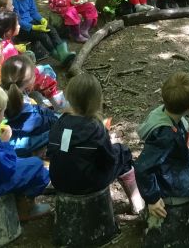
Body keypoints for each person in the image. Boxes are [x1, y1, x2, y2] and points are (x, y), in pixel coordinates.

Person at [47, 73, 144, 214]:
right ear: (96, 100)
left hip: (59, 181)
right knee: (123, 153)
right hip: (89, 184)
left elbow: (53, 152)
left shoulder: (59, 123)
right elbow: (109, 159)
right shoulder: (96, 128)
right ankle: (137, 203)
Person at [135, 72, 189, 224]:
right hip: (171, 185)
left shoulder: (161, 113)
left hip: (170, 173)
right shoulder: (166, 135)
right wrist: (153, 199)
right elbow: (142, 167)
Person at [0, 84, 50, 220]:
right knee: (36, 166)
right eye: (3, 112)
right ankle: (24, 208)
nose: (3, 116)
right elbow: (7, 169)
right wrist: (5, 143)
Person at [0, 10, 68, 110]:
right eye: (17, 24)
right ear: (9, 31)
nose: (19, 25)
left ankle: (46, 99)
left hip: (11, 75)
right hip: (19, 78)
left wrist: (17, 48)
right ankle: (61, 106)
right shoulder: (8, 49)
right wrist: (34, 70)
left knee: (45, 68)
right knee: (48, 78)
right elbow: (19, 70)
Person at [11, 0, 75, 64]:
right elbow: (17, 21)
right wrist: (33, 27)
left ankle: (63, 53)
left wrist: (41, 19)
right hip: (21, 29)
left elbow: (33, 12)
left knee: (51, 29)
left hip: (31, 22)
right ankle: (57, 56)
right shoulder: (14, 0)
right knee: (42, 35)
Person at [1, 55, 58, 157]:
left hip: (6, 137)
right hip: (16, 146)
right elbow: (47, 122)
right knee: (58, 131)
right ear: (30, 83)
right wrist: (59, 118)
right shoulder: (26, 110)